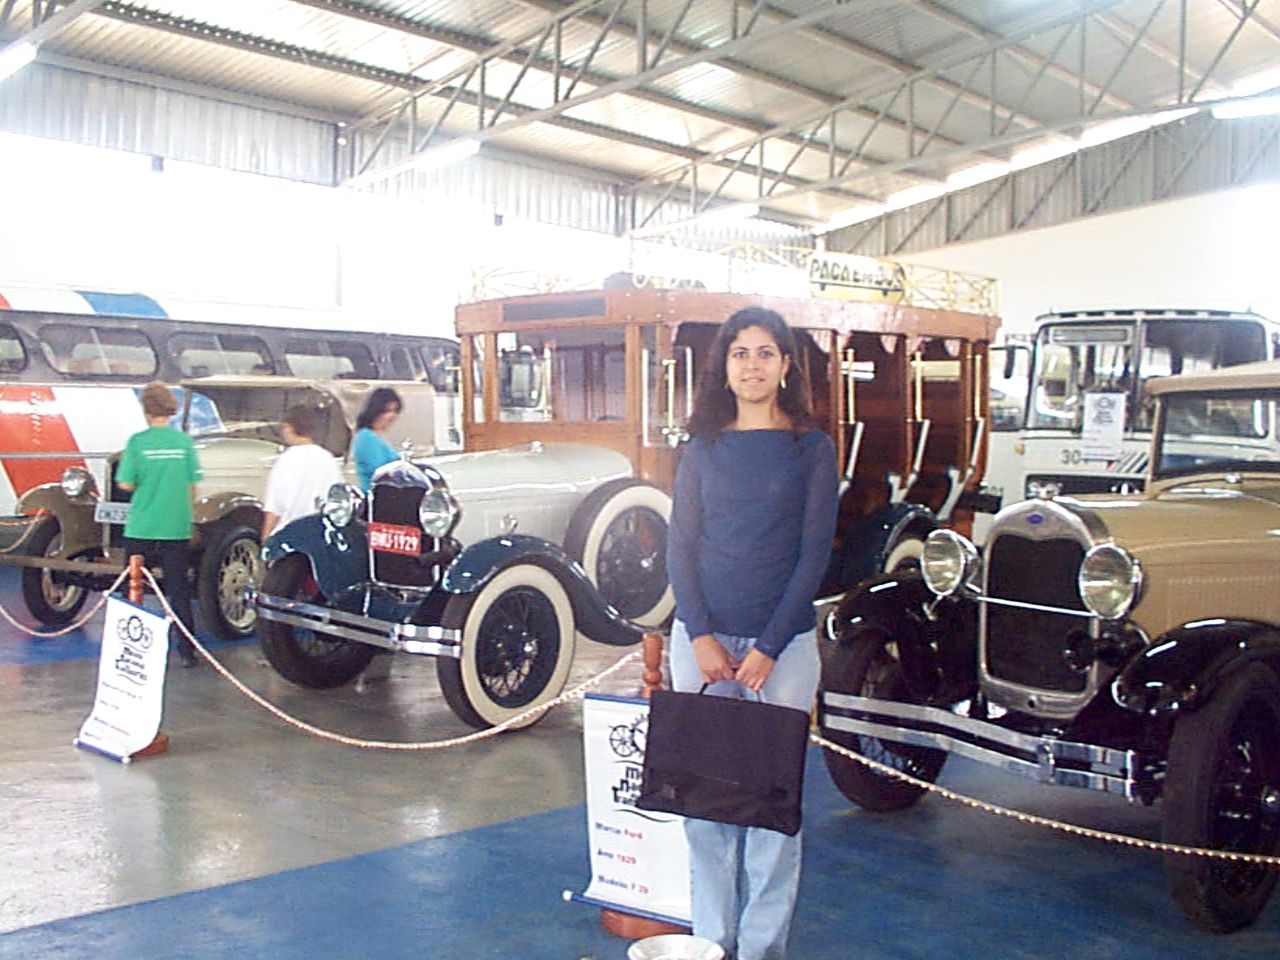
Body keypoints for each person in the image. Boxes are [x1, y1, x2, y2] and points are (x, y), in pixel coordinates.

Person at [666, 307, 838, 960]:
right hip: (702, 646)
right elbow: (680, 547)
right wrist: (701, 635)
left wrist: (768, 646)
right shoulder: (702, 448)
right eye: (741, 353)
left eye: (766, 353)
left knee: (771, 810)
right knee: (705, 806)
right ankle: (712, 943)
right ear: (725, 366)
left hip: (783, 650)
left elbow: (813, 555)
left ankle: (762, 949)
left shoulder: (811, 450)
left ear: (787, 366)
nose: (753, 365)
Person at [115, 382, 203, 667]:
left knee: (132, 589)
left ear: (146, 409)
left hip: (142, 526)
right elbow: (192, 485)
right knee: (178, 591)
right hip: (175, 527)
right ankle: (187, 651)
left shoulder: (137, 442)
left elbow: (125, 483)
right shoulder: (184, 443)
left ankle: (130, 648)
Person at [261, 405, 344, 540]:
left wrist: (265, 542)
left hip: (289, 536)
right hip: (321, 536)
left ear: (289, 427)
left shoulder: (285, 460)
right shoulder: (328, 459)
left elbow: (274, 509)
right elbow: (338, 500)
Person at [352, 387, 403, 491]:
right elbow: (378, 470)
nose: (392, 415)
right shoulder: (366, 437)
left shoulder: (381, 436)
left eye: (395, 411)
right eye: (388, 411)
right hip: (374, 494)